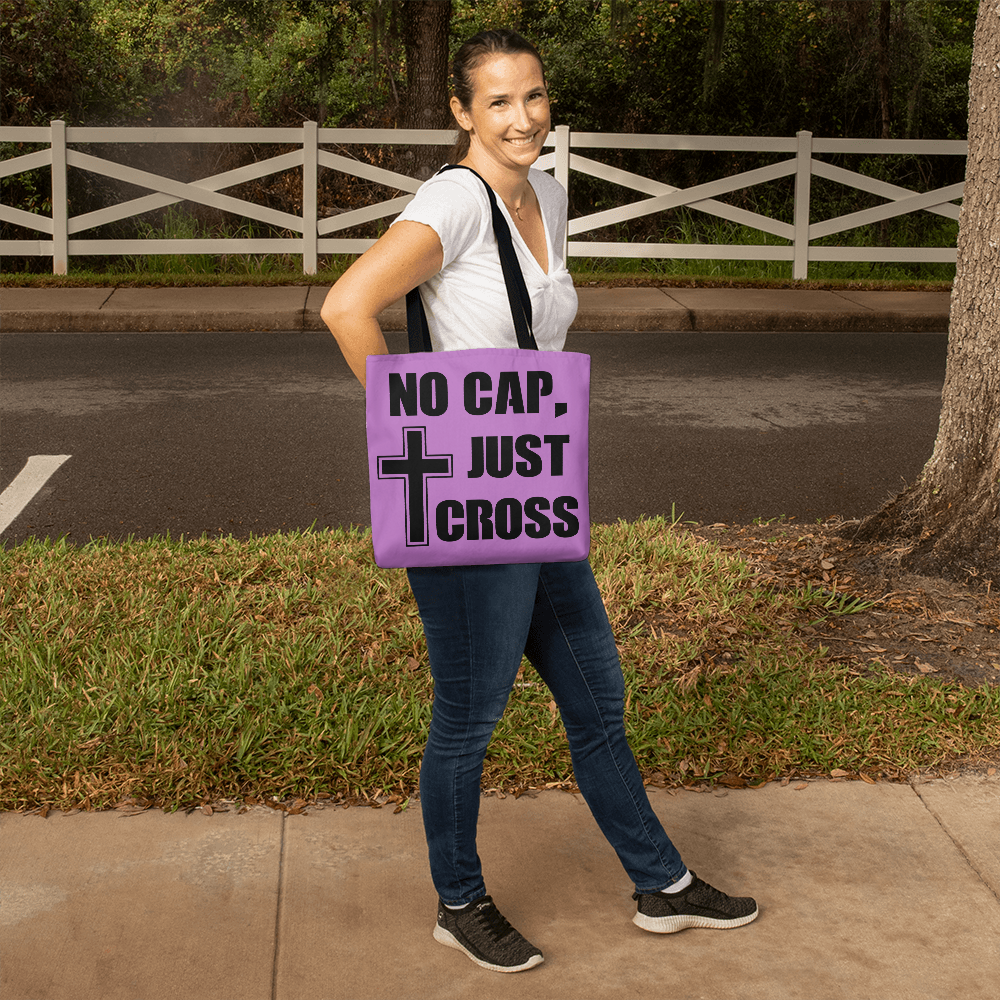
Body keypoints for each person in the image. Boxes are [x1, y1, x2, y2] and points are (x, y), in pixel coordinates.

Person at [321, 27, 759, 974]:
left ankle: (661, 885)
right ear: (462, 113)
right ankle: (458, 900)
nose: (523, 118)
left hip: (536, 487)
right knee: (469, 717)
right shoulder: (454, 200)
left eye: (535, 96)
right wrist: (412, 433)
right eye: (499, 102)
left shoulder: (550, 197)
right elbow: (346, 306)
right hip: (468, 495)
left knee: (598, 694)